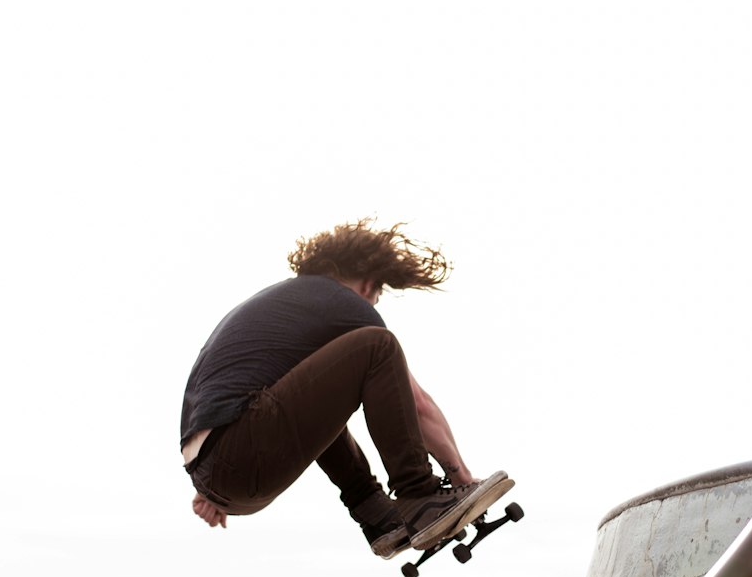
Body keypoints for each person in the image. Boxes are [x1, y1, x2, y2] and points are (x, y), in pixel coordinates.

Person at [180, 220, 514, 559]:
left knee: (312, 402)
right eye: (377, 298)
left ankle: (378, 515)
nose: (372, 308)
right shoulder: (341, 301)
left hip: (220, 478)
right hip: (241, 451)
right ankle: (420, 495)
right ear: (369, 285)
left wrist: (211, 486)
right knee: (378, 347)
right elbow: (418, 404)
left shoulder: (287, 305)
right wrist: (463, 481)